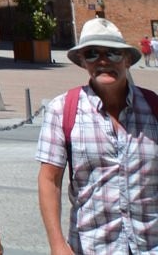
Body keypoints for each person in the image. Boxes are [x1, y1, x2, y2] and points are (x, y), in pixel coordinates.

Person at [36, 16, 158, 255]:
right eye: (92, 53)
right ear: (83, 61)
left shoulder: (153, 107)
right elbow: (49, 180)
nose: (102, 61)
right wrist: (57, 244)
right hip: (93, 246)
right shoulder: (63, 109)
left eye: (112, 53)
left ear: (127, 60)